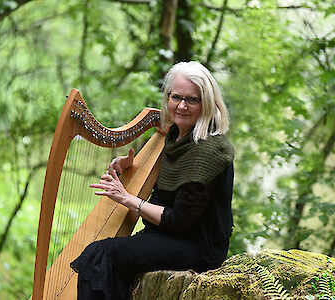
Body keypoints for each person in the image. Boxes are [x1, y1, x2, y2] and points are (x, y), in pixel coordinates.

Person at [70, 61, 235, 299]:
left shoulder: (209, 150)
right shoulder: (176, 137)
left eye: (192, 99)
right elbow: (168, 184)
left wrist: (127, 199)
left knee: (100, 254)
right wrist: (129, 167)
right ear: (167, 97)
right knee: (105, 258)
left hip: (198, 247)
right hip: (167, 237)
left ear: (207, 103)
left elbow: (179, 220)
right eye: (175, 97)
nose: (181, 106)